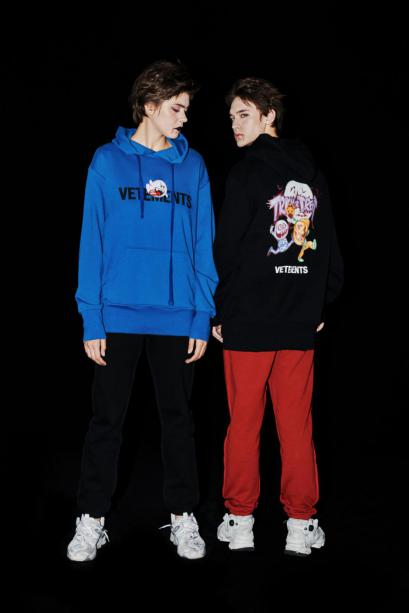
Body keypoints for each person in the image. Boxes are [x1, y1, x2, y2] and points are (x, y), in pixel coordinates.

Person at [66, 59, 218, 562]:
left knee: (178, 420)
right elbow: (92, 242)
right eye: (177, 108)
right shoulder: (106, 162)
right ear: (149, 105)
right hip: (118, 315)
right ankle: (91, 519)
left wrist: (201, 315)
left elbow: (203, 245)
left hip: (177, 315)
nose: (184, 118)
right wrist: (92, 316)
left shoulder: (193, 167)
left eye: (187, 109)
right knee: (107, 421)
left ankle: (183, 516)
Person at [211, 77, 344, 556]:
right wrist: (319, 301)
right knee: (295, 425)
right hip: (295, 324)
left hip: (248, 322)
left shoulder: (245, 174)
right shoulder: (314, 173)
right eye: (231, 117)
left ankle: (240, 521)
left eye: (244, 115)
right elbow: (329, 248)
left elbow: (226, 250)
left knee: (244, 424)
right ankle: (300, 526)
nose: (235, 125)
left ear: (270, 116)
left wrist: (219, 308)